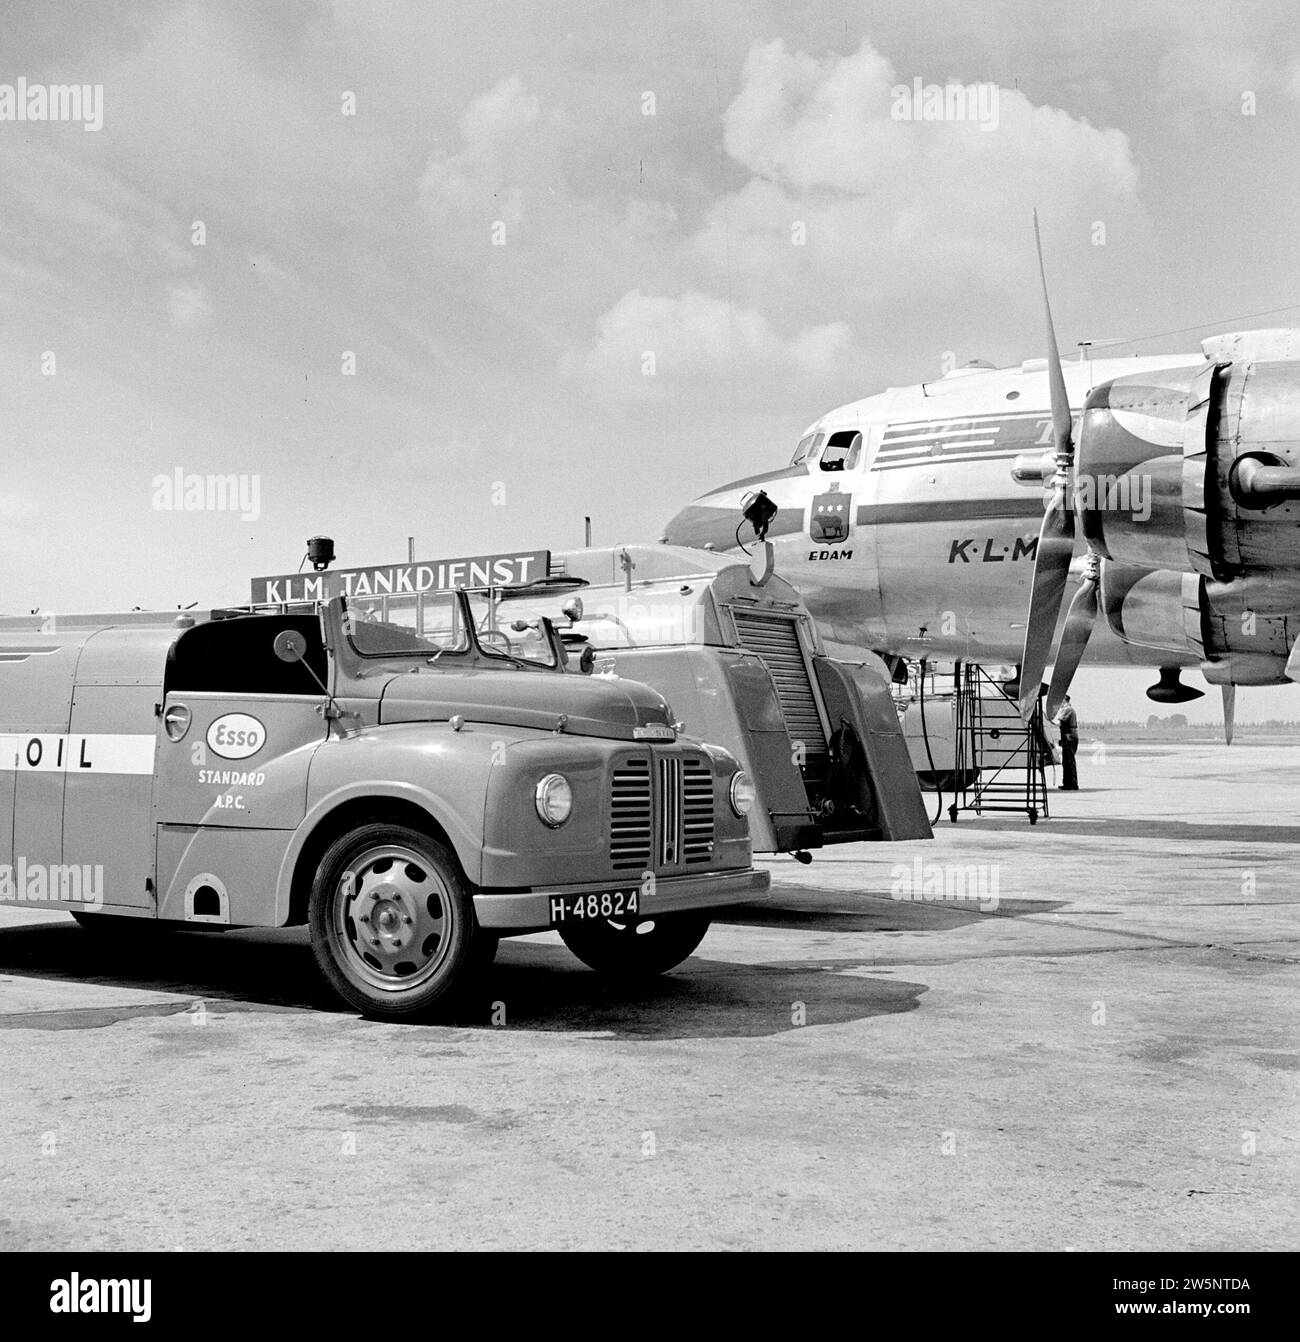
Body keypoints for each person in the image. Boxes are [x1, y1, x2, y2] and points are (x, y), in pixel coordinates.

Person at [1056, 695, 1079, 790]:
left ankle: (1072, 783)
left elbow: (1062, 722)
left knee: (1069, 761)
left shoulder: (1067, 709)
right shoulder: (1070, 709)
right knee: (1067, 761)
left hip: (1069, 736)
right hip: (1069, 735)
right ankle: (1068, 783)